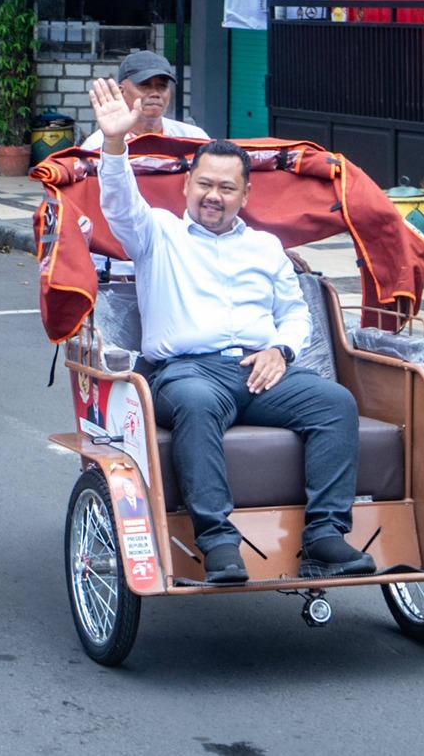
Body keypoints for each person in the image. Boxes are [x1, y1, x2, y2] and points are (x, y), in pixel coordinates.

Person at [88, 78, 373, 586]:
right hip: (186, 372)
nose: (212, 197)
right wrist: (114, 144)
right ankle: (218, 542)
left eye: (225, 187)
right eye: (204, 185)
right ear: (186, 185)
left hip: (260, 369)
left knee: (335, 403)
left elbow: (295, 313)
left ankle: (325, 533)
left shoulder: (265, 247)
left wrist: (282, 350)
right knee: (197, 404)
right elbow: (117, 204)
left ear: (246, 192)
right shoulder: (157, 232)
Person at [78, 50, 206, 149]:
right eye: (145, 85)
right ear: (121, 91)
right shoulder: (98, 144)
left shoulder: (193, 138)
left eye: (162, 86)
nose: (155, 93)